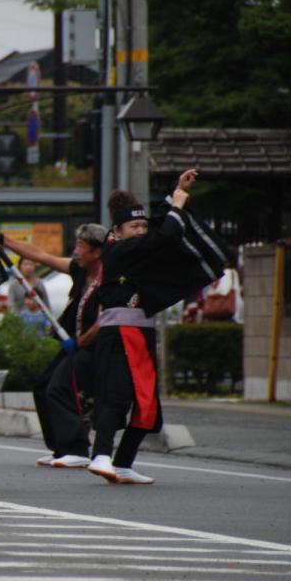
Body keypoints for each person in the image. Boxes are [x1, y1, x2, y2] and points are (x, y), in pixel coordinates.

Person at [89, 169, 228, 485]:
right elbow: (165, 235)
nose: (141, 231)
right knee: (117, 397)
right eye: (134, 227)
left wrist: (179, 191)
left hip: (141, 333)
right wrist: (177, 203)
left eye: (143, 226)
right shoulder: (116, 250)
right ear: (116, 231)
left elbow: (160, 231)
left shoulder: (137, 248)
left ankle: (123, 463)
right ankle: (100, 455)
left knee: (148, 404)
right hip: (117, 335)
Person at [0, 223, 107, 469]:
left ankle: (77, 449)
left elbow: (105, 319)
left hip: (94, 347)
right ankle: (60, 448)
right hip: (74, 344)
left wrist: (82, 341)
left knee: (59, 388)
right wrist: (4, 240)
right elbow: (41, 256)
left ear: (97, 252)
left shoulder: (107, 278)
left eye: (81, 246)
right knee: (42, 387)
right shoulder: (79, 270)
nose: (76, 251)